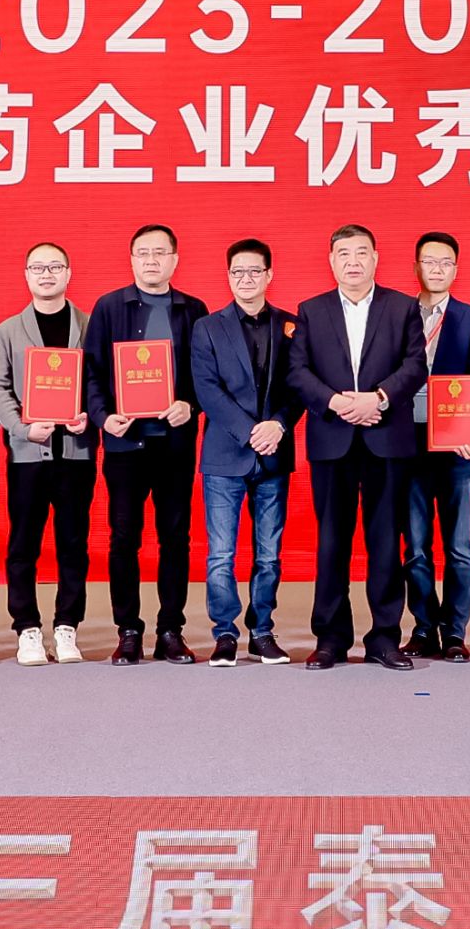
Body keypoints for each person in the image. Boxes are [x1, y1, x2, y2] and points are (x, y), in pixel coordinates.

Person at [289, 223, 429, 669]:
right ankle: (330, 638)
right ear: (332, 261)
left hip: (386, 440)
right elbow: (298, 371)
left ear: (375, 258)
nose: (353, 261)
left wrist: (378, 399)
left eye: (361, 252)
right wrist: (338, 403)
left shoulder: (402, 307)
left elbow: (416, 365)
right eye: (344, 254)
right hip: (333, 439)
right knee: (332, 541)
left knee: (385, 542)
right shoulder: (311, 311)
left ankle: (384, 638)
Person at [85, 225, 205, 666]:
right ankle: (128, 631)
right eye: (143, 253)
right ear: (132, 259)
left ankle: (171, 630)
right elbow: (91, 371)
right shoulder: (109, 307)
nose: (151, 260)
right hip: (125, 445)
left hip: (174, 444)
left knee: (175, 538)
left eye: (160, 252)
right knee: (123, 538)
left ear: (175, 259)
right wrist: (103, 416)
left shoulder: (193, 309)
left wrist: (190, 404)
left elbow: (205, 372)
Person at [0, 240, 101, 666]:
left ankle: (67, 626)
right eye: (38, 267)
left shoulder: (90, 326)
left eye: (55, 266)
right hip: (27, 455)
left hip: (76, 453)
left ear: (69, 273)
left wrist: (90, 416)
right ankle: (27, 628)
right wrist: (21, 427)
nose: (47, 274)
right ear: (26, 275)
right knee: (23, 544)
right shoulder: (8, 330)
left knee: (73, 542)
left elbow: (102, 383)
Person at [187, 237, 298, 666]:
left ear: (269, 275)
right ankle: (225, 634)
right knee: (221, 554)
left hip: (274, 452)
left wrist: (279, 425)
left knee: (268, 554)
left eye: (254, 271)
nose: (246, 279)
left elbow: (298, 386)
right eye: (238, 272)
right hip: (225, 455)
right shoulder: (207, 327)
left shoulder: (291, 326)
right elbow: (207, 390)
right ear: (228, 276)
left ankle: (263, 631)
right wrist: (251, 431)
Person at [396, 231, 470, 662]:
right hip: (407, 442)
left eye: (445, 263)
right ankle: (423, 628)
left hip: (456, 445)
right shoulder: (398, 313)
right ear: (416, 266)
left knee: (458, 547)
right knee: (415, 546)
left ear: (456, 268)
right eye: (429, 262)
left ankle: (454, 631)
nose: (437, 270)